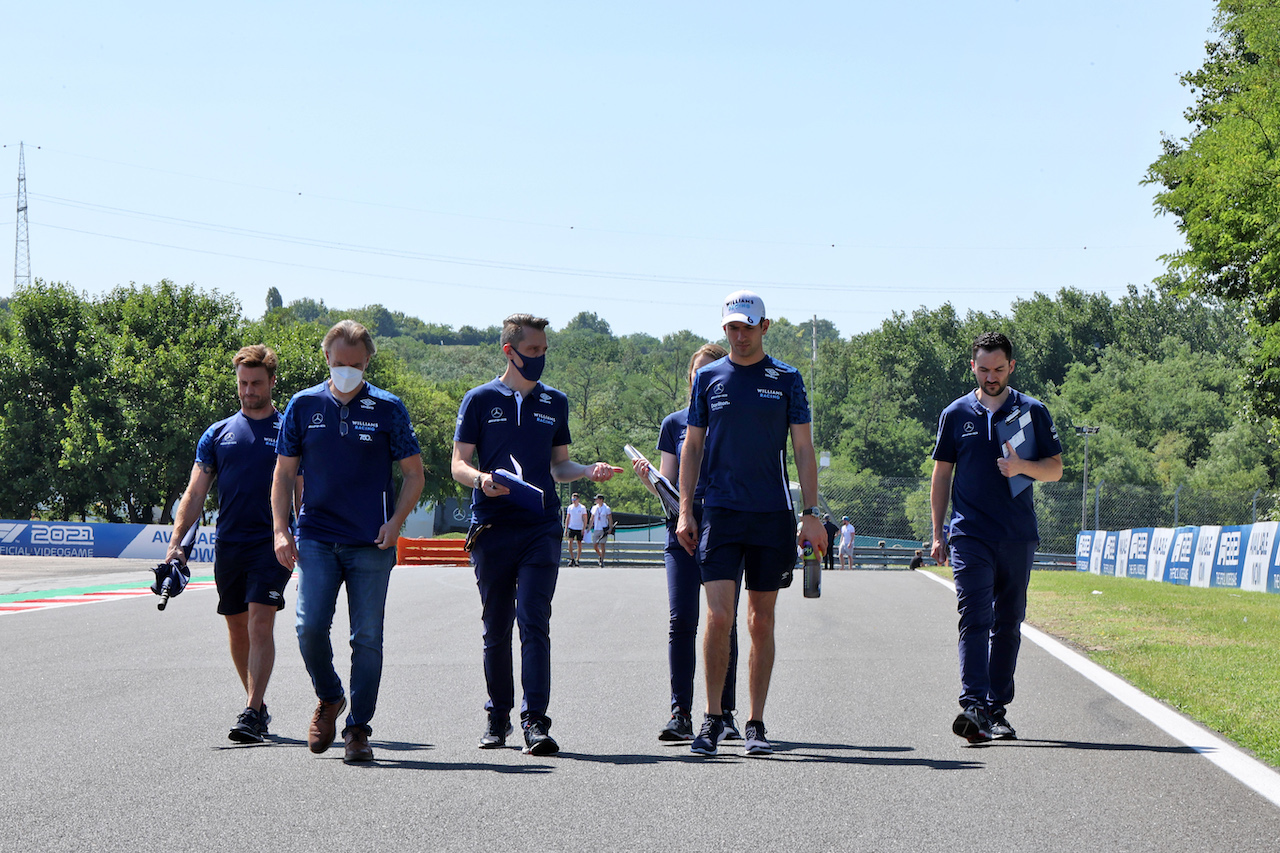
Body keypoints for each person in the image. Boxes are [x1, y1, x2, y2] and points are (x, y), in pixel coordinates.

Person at [452, 313, 616, 756]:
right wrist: (481, 479)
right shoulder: (480, 400)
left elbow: (558, 466)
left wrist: (587, 470)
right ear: (510, 351)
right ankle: (498, 715)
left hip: (541, 527)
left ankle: (535, 722)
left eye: (544, 351)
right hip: (491, 527)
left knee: (534, 621)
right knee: (496, 626)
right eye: (532, 352)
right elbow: (458, 463)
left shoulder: (554, 402)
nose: (540, 358)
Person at [677, 290, 827, 756]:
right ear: (724, 330)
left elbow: (803, 449)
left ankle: (756, 723)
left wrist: (811, 513)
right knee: (719, 616)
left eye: (747, 327)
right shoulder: (708, 379)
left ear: (765, 327)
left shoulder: (787, 379)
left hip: (772, 514)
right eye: (731, 328)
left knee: (761, 621)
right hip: (720, 512)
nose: (739, 336)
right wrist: (685, 509)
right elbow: (692, 447)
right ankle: (712, 719)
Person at [272, 320, 425, 764]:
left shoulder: (388, 408)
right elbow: (283, 475)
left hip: (371, 543)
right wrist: (281, 529)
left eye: (356, 366)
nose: (347, 373)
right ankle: (330, 696)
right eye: (340, 364)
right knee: (308, 628)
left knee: (368, 639)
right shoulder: (302, 406)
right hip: (317, 537)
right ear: (327, 359)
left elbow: (414, 474)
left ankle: (358, 729)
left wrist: (396, 521)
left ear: (367, 363)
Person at [930, 331, 1062, 744]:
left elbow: (1055, 469)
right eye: (984, 369)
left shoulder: (1033, 410)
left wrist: (1022, 466)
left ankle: (994, 709)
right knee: (974, 616)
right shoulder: (956, 414)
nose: (991, 377)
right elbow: (942, 475)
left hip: (1018, 535)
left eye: (999, 369)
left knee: (1007, 623)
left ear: (1012, 367)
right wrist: (938, 532)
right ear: (973, 367)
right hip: (969, 533)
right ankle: (971, 703)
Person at [168, 344, 294, 744]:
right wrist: (176, 547)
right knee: (238, 627)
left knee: (260, 621)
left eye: (256, 383)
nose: (248, 390)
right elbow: (194, 493)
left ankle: (252, 712)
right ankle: (256, 705)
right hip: (230, 544)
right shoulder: (217, 434)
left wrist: (299, 532)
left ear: (272, 382)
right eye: (242, 383)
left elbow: (302, 487)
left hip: (272, 542)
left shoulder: (290, 429)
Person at [631, 342, 742, 743]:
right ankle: (680, 712)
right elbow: (669, 482)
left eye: (712, 372)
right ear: (690, 379)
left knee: (722, 620)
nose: (703, 379)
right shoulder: (674, 423)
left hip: (725, 528)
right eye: (697, 374)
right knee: (682, 621)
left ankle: (724, 712)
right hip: (680, 526)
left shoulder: (733, 420)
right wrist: (650, 480)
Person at [563, 493, 588, 567]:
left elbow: (585, 518)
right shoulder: (570, 507)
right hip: (571, 527)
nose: (573, 501)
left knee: (579, 543)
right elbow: (568, 518)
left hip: (579, 527)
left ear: (578, 500)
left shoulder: (582, 507)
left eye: (575, 499)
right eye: (572, 499)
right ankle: (572, 558)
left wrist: (584, 528)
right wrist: (566, 528)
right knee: (570, 542)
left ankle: (578, 559)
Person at [590, 494, 613, 567]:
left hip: (603, 528)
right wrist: (589, 527)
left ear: (601, 500)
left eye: (597, 499)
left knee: (602, 544)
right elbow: (592, 518)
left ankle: (602, 560)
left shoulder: (606, 508)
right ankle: (600, 556)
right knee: (595, 544)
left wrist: (610, 528)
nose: (596, 501)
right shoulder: (594, 508)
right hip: (596, 528)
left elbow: (610, 519)